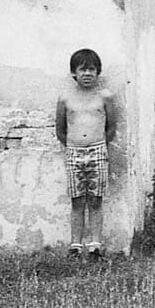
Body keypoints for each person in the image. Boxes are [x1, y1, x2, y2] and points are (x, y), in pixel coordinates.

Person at [55, 47, 119, 259]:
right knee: (77, 200)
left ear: (98, 72)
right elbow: (61, 129)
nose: (87, 74)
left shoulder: (105, 96)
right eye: (82, 69)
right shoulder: (65, 98)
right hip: (74, 152)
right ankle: (75, 245)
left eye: (92, 69)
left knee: (96, 199)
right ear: (74, 73)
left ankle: (95, 245)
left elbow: (111, 126)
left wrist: (98, 144)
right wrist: (74, 145)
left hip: (98, 151)